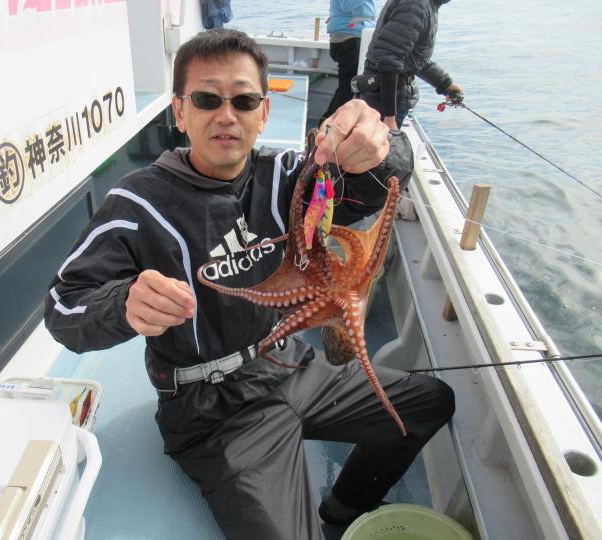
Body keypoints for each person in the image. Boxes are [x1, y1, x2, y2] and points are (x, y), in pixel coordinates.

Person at [44, 28, 455, 540]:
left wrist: (377, 147)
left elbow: (372, 188)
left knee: (428, 403)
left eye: (243, 101)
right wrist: (123, 304)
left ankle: (343, 510)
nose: (226, 115)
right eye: (206, 99)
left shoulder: (288, 176)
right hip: (212, 409)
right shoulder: (136, 205)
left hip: (289, 365)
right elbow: (63, 307)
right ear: (179, 112)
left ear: (263, 114)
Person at [353, 0, 464, 129]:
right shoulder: (415, 6)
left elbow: (413, 58)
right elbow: (389, 59)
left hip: (390, 99)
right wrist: (389, 117)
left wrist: (445, 84)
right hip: (382, 105)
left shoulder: (426, 6)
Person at [322, 0, 376, 121]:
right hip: (349, 38)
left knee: (347, 87)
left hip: (352, 36)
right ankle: (329, 126)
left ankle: (326, 123)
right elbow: (347, 5)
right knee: (349, 89)